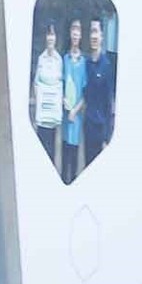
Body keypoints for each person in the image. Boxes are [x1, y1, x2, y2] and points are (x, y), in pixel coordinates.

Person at [83, 19, 117, 162]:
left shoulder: (107, 66)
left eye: (96, 31)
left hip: (101, 129)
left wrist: (107, 138)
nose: (94, 36)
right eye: (92, 32)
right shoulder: (86, 64)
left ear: (102, 36)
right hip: (88, 127)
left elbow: (109, 103)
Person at [60, 18, 87, 179]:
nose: (75, 33)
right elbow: (61, 84)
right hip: (65, 119)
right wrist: (63, 100)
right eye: (73, 30)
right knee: (64, 166)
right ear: (70, 33)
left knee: (74, 166)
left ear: (81, 35)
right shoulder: (65, 59)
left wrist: (75, 111)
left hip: (76, 119)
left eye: (78, 30)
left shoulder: (84, 62)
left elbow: (85, 93)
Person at [31, 25, 63, 158]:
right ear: (46, 37)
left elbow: (60, 84)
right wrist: (39, 101)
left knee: (51, 152)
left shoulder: (59, 60)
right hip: (42, 114)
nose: (50, 38)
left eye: (53, 35)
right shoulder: (41, 58)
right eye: (48, 34)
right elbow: (36, 83)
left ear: (56, 38)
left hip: (52, 116)